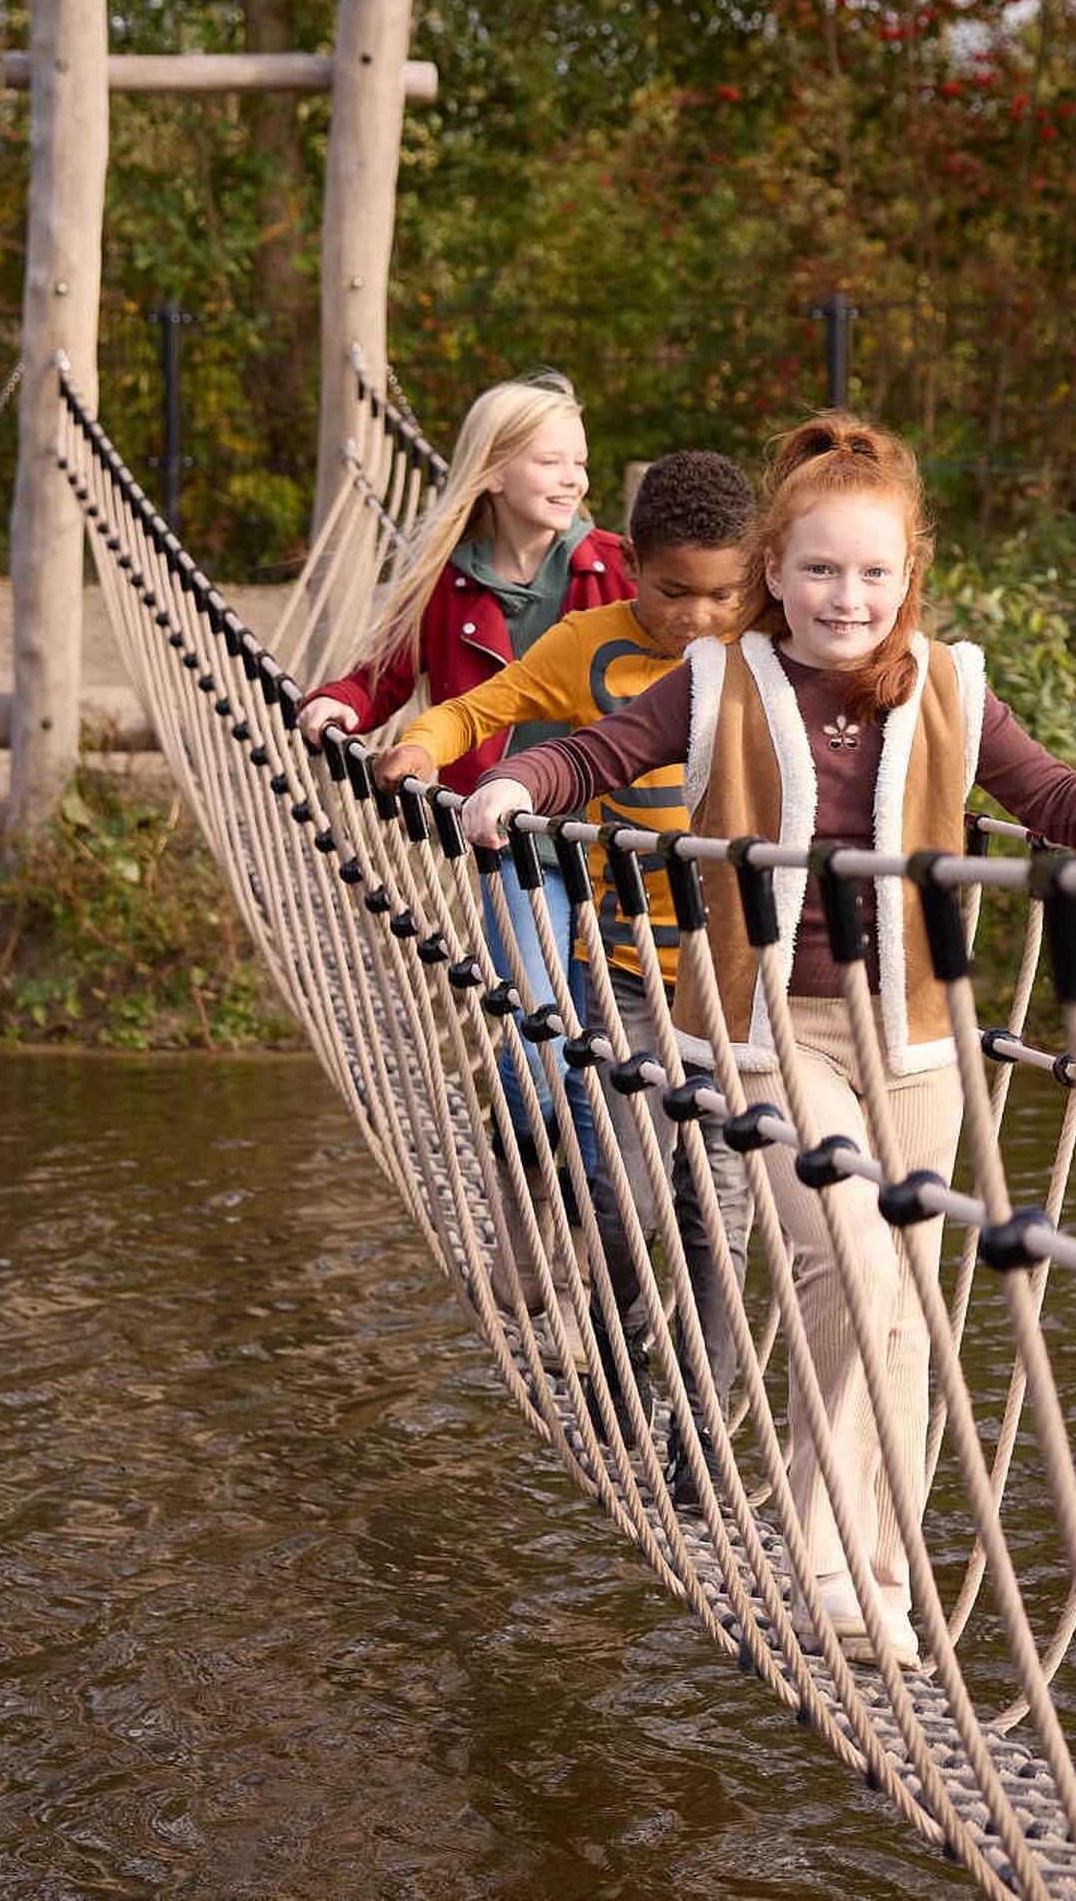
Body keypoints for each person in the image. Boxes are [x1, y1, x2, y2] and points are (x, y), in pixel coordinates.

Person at [461, 413, 1076, 1661]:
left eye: (874, 573)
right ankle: (816, 1570)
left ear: (909, 576)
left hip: (917, 1036)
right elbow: (595, 757)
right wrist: (512, 785)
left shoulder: (953, 686)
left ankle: (881, 1573)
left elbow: (1049, 795)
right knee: (846, 1267)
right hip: (770, 1033)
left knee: (913, 1306)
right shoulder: (716, 683)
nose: (845, 596)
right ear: (772, 571)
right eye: (818, 569)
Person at [382, 449, 765, 1431]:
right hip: (627, 973)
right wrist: (423, 747)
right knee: (623, 1196)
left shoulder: (770, 649)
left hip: (739, 984)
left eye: (724, 594)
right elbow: (485, 708)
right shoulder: (588, 644)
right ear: (630, 563)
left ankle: (701, 1421)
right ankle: (621, 1345)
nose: (699, 617)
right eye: (675, 591)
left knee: (718, 1206)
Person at [296, 373, 636, 1291]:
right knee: (537, 1035)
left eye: (582, 462)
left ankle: (606, 1243)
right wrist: (338, 702)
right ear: (493, 471)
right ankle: (539, 1201)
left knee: (610, 1046)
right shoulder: (448, 578)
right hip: (507, 839)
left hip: (624, 840)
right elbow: (385, 670)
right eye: (551, 460)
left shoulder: (618, 565)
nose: (573, 479)